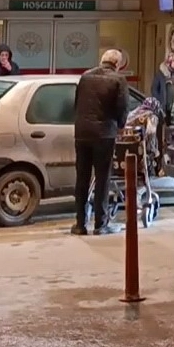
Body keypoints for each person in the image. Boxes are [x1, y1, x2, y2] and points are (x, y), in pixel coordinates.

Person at [72, 49, 129, 235]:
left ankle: (80, 224)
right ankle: (100, 224)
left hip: (82, 132)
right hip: (104, 134)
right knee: (102, 179)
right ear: (117, 64)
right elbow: (122, 109)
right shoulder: (118, 80)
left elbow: (76, 103)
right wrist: (121, 126)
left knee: (82, 178)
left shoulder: (85, 77)